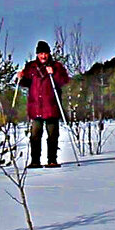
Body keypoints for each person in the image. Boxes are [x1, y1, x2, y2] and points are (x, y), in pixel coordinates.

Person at [17, 40, 70, 168]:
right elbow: (24, 83)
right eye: (41, 53)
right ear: (37, 54)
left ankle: (52, 160)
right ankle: (35, 161)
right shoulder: (31, 67)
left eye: (45, 53)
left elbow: (64, 81)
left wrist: (54, 73)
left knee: (52, 135)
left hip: (51, 107)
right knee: (35, 136)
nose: (43, 56)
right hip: (35, 108)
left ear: (49, 54)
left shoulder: (56, 66)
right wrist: (20, 77)